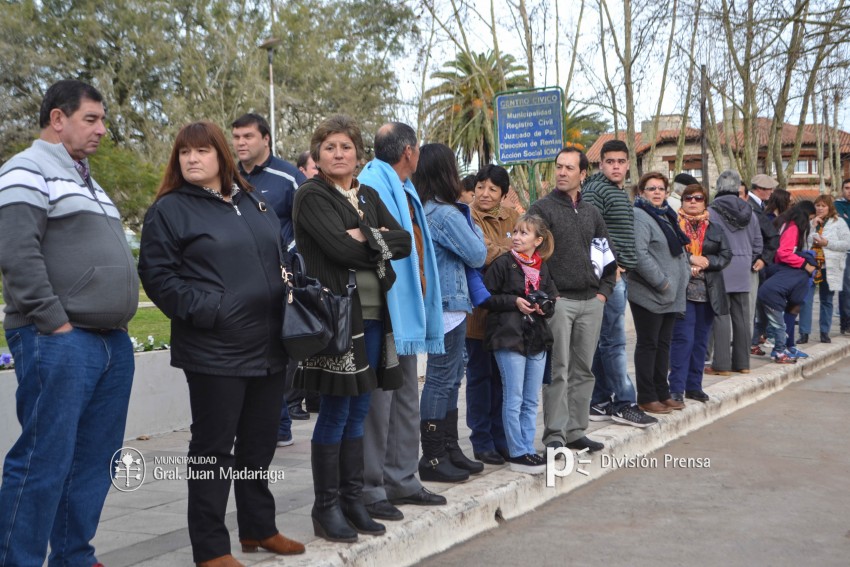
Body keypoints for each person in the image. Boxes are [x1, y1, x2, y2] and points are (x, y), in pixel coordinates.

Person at [138, 121, 304, 566]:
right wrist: (210, 310)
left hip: (269, 344)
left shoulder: (251, 199)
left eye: (202, 151)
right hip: (215, 349)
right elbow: (157, 276)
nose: (192, 159)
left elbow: (278, 255)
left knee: (258, 444)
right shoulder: (170, 209)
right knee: (212, 451)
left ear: (221, 156)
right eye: (184, 152)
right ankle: (211, 549)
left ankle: (258, 527)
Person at [0, 80, 138, 567]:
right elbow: (17, 252)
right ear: (58, 119)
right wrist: (53, 321)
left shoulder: (89, 181)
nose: (102, 129)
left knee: (95, 460)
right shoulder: (25, 169)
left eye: (103, 120)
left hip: (109, 343)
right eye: (91, 119)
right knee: (44, 458)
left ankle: (74, 557)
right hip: (60, 338)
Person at [292, 115, 412, 542]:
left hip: (375, 314)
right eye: (330, 147)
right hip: (338, 318)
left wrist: (362, 235)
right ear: (318, 155)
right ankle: (326, 508)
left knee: (360, 408)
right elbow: (338, 249)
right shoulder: (311, 195)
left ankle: (352, 499)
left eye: (345, 146)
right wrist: (372, 238)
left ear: (358, 154)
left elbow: (405, 242)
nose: (338, 154)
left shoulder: (369, 194)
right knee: (336, 410)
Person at [357, 122, 446, 522]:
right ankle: (371, 486)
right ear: (409, 151)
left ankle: (403, 478)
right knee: (379, 404)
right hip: (385, 309)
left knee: (407, 396)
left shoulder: (403, 185)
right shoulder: (372, 184)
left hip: (408, 310)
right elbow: (382, 244)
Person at [528, 147, 621, 451]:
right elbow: (533, 257)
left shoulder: (592, 213)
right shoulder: (541, 209)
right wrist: (552, 295)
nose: (562, 172)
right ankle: (555, 436)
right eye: (559, 166)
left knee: (583, 370)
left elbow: (607, 255)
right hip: (560, 303)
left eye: (569, 168)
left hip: (591, 302)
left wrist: (603, 292)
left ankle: (575, 431)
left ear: (583, 174)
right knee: (558, 370)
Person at [231, 114, 309, 442]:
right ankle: (261, 425)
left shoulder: (289, 177)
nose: (240, 143)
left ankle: (279, 427)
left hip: (280, 282)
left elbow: (307, 225)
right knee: (248, 352)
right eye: (236, 137)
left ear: (266, 139)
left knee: (273, 353)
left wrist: (285, 259)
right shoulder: (227, 176)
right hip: (238, 283)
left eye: (248, 136)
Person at [413, 143, 487, 482]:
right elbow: (477, 254)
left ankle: (448, 448)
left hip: (444, 303)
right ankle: (432, 455)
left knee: (451, 377)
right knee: (442, 379)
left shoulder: (423, 208)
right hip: (447, 305)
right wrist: (469, 219)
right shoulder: (444, 213)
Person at [583, 139, 652, 427]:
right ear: (601, 164)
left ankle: (598, 401)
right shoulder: (596, 190)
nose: (616, 166)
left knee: (606, 342)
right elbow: (587, 232)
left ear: (628, 165)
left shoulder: (617, 191)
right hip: (609, 278)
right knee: (615, 342)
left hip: (616, 276)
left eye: (621, 162)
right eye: (610, 161)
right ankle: (625, 403)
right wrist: (611, 268)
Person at [483, 214, 558, 473]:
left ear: (538, 240)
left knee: (530, 399)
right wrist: (514, 301)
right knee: (513, 398)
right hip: (508, 336)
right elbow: (485, 298)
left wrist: (543, 307)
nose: (516, 237)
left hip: (536, 338)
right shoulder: (503, 263)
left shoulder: (542, 266)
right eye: (514, 232)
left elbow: (552, 299)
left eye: (524, 233)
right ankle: (517, 453)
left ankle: (528, 448)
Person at [466, 164, 521, 463]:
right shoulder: (467, 215)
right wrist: (511, 250)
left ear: (503, 194)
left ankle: (502, 438)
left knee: (503, 379)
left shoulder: (512, 216)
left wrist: (505, 250)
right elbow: (481, 253)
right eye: (480, 187)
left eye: (493, 189)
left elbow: (531, 247)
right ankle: (481, 440)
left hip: (508, 313)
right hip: (478, 312)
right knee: (479, 377)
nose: (485, 194)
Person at [628, 172, 690, 413]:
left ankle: (662, 393)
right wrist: (662, 283)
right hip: (650, 294)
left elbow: (679, 251)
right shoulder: (640, 215)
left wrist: (683, 275)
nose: (656, 192)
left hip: (671, 295)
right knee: (649, 344)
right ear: (641, 192)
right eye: (651, 188)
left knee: (663, 345)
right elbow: (639, 254)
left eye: (661, 188)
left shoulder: (666, 215)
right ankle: (646, 396)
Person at [669, 184, 732, 403]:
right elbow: (668, 253)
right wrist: (689, 260)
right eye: (688, 198)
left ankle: (694, 386)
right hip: (682, 292)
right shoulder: (673, 225)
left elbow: (726, 255)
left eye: (698, 198)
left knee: (700, 342)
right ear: (682, 201)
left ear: (705, 202)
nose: (693, 202)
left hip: (708, 292)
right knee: (682, 340)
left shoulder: (715, 228)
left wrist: (706, 262)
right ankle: (676, 388)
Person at [706, 170, 763, 375]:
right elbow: (758, 244)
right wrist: (747, 258)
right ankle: (743, 363)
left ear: (718, 186)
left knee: (721, 315)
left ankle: (721, 364)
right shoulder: (750, 212)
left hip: (720, 267)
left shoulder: (711, 211)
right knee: (742, 317)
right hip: (743, 268)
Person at [758, 201, 818, 363]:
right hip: (783, 270)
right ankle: (783, 347)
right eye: (809, 219)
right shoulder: (793, 227)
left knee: (784, 311)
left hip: (775, 269)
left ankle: (788, 345)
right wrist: (804, 264)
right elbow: (784, 252)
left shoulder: (784, 222)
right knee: (791, 308)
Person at [798, 194, 850, 343]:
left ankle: (824, 332)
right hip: (811, 265)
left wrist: (827, 243)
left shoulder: (838, 222)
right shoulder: (808, 222)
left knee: (827, 300)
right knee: (806, 299)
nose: (820, 208)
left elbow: (846, 244)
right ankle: (804, 333)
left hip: (830, 265)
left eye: (823, 206)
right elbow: (802, 244)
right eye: (818, 205)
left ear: (829, 207)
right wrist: (811, 226)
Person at [836, 179, 850, 334]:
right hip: (844, 253)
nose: (849, 191)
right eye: (847, 188)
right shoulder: (837, 206)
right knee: (846, 289)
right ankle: (846, 324)